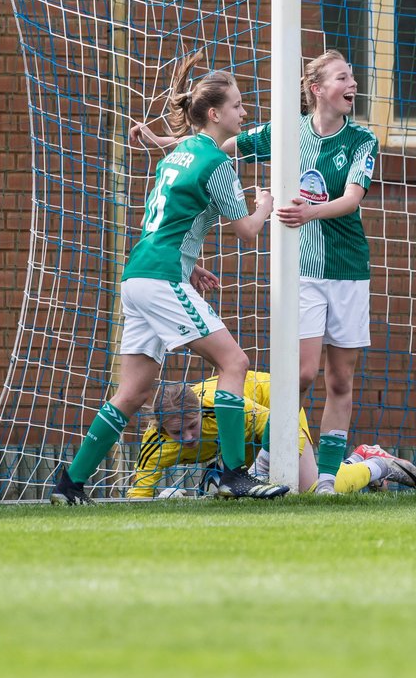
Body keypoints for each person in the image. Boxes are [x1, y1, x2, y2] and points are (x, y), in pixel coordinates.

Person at [133, 50, 381, 494]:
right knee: (302, 374)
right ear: (317, 88)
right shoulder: (285, 134)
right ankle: (269, 458)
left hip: (348, 268)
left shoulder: (361, 139)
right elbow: (218, 144)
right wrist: (165, 144)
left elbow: (353, 198)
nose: (353, 84)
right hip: (303, 269)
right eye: (343, 77)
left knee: (340, 378)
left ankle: (326, 478)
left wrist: (312, 212)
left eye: (353, 76)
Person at [50, 52, 289, 504]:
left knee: (134, 391)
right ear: (215, 114)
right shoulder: (218, 164)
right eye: (237, 106)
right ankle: (232, 475)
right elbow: (247, 232)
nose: (244, 112)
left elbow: (168, 222)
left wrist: (189, 263)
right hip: (161, 279)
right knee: (234, 364)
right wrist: (265, 202)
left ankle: (70, 483)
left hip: (139, 275)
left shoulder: (182, 153)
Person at [129, 371, 416, 498]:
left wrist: (260, 469)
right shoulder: (155, 445)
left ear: (200, 413)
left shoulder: (222, 409)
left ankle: (376, 464)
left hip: (275, 404)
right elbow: (139, 493)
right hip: (244, 437)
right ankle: (357, 458)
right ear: (160, 427)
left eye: (193, 426)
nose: (189, 437)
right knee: (240, 496)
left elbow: (280, 424)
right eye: (178, 432)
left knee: (311, 490)